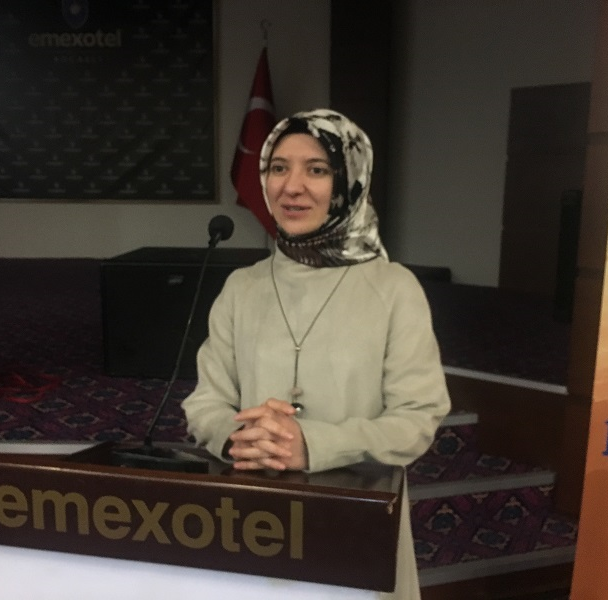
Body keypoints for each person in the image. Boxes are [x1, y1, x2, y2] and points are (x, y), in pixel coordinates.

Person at [182, 108, 450, 599]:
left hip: (354, 518)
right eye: (278, 168)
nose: (292, 186)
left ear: (350, 180)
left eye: (317, 169)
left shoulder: (395, 289)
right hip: (255, 519)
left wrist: (315, 445)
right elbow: (205, 402)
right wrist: (237, 438)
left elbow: (417, 417)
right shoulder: (242, 287)